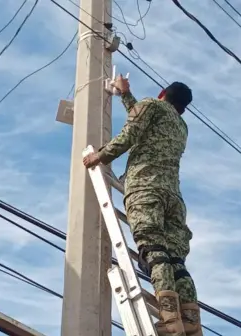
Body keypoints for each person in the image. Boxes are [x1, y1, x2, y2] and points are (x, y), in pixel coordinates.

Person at [83, 75, 203, 336]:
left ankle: (170, 318)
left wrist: (98, 156)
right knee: (175, 260)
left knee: (154, 250)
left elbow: (130, 134)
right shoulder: (181, 126)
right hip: (173, 198)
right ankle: (191, 320)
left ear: (162, 93)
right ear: (183, 108)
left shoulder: (152, 106)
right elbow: (144, 120)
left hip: (145, 189)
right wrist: (126, 95)